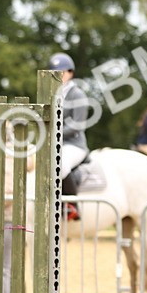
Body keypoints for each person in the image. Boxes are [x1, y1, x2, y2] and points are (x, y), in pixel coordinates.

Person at [48, 53, 91, 221]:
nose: (58, 76)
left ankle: (73, 206)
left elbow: (76, 126)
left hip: (74, 144)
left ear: (70, 73)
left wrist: (53, 132)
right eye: (54, 72)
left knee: (60, 164)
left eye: (62, 72)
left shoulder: (77, 95)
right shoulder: (53, 95)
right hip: (55, 142)